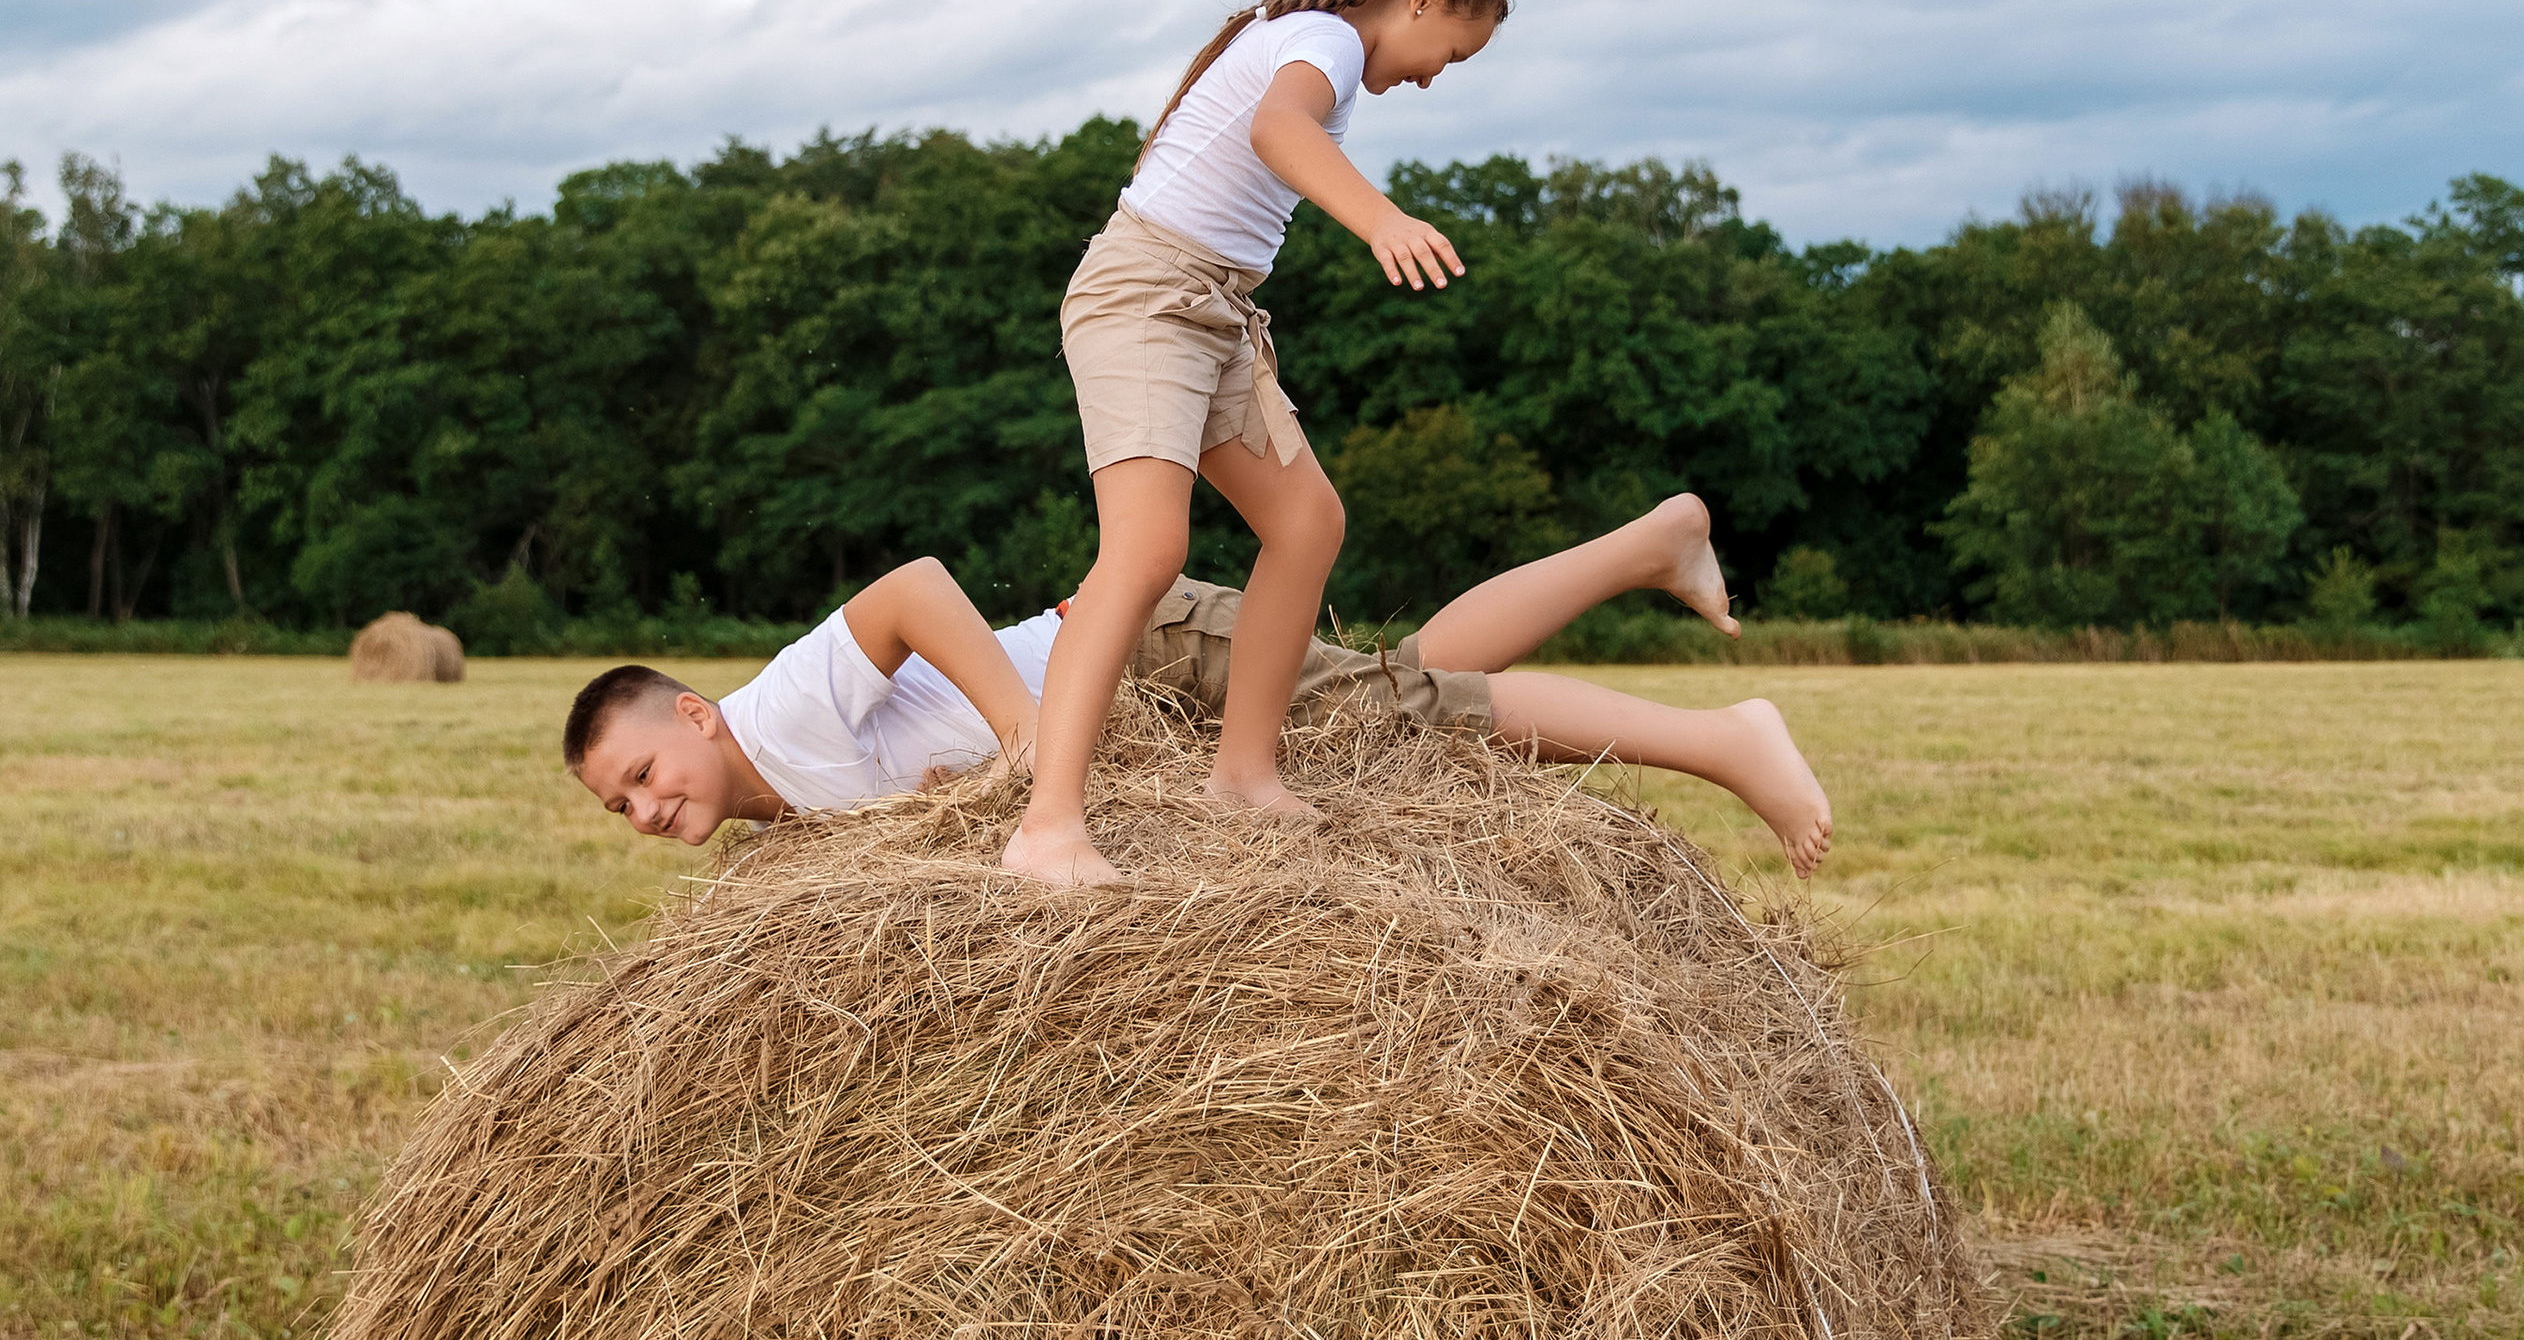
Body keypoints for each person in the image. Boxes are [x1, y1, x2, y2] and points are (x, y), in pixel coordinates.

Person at [1002, 0, 1512, 891]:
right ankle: (1046, 826)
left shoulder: (1307, 38)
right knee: (1147, 550)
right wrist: (1379, 218)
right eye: (1450, 51)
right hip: (1147, 296)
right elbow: (1278, 129)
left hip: (1214, 308)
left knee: (1307, 523)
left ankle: (1241, 775)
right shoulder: (1317, 38)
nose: (1436, 76)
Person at [562, 491, 1834, 875]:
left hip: (1142, 653)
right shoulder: (768, 836)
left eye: (640, 774)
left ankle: (1725, 736)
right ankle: (1648, 547)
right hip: (1136, 683)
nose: (644, 806)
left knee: (1418, 721)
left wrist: (1028, 743)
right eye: (619, 809)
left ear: (693, 714)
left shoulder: (780, 713)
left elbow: (911, 583)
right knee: (1411, 694)